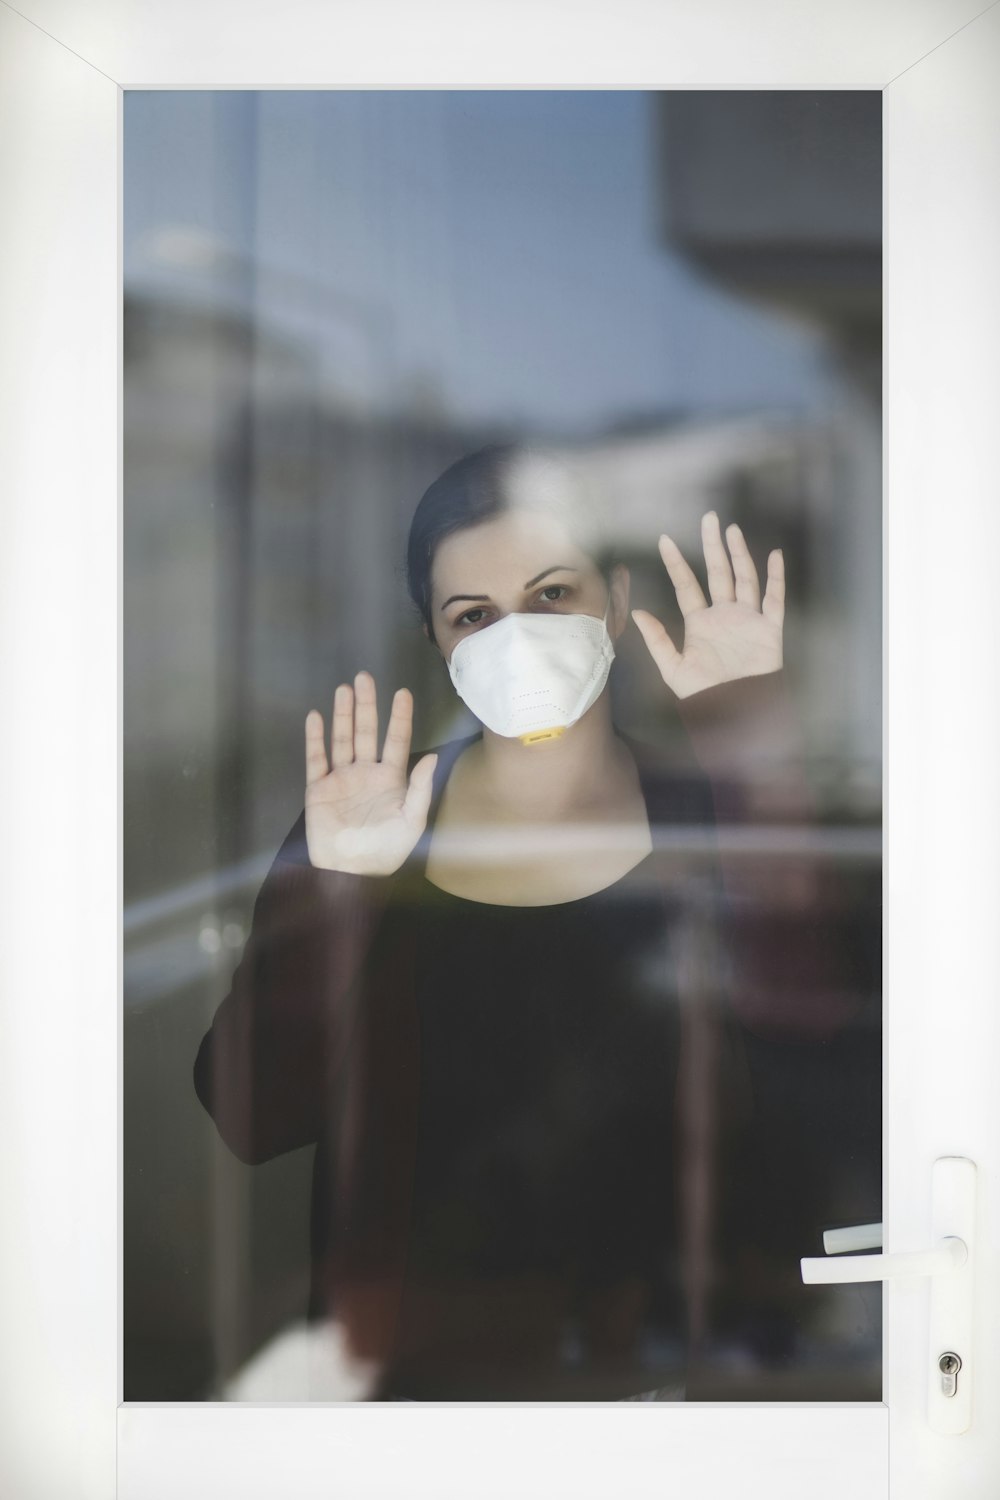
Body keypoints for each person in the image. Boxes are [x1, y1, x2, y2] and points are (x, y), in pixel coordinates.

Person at [194, 442, 867, 1402]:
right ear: (437, 641)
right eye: (474, 615)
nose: (518, 636)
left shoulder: (710, 819)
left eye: (552, 593)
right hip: (424, 1387)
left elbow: (819, 1049)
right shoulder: (370, 828)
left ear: (620, 597)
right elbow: (253, 1119)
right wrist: (333, 893)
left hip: (687, 1376)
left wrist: (754, 762)